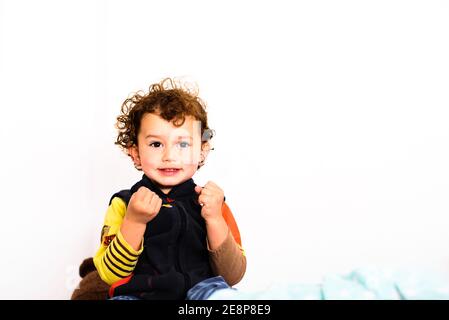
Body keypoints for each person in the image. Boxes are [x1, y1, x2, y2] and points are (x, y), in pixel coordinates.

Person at [93, 78, 246, 300]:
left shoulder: (213, 202)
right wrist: (134, 221)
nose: (169, 156)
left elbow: (233, 275)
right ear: (135, 153)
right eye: (156, 144)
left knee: (228, 299)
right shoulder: (124, 203)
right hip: (140, 294)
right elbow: (110, 274)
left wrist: (214, 218)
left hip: (202, 292)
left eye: (183, 144)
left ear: (202, 151)